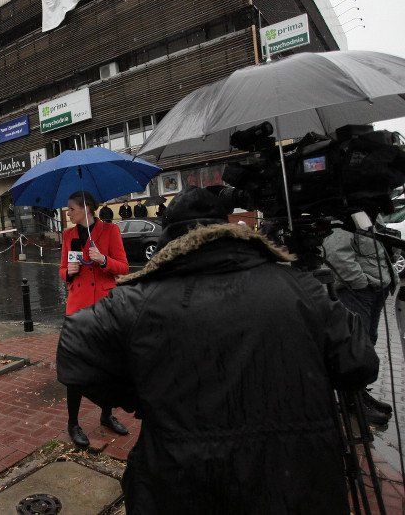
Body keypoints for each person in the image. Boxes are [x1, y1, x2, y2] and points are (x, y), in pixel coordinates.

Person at [57, 187, 378, 514]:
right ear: (226, 230)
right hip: (297, 486)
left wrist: (138, 395)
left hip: (181, 486)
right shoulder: (300, 286)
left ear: (170, 239)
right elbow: (360, 363)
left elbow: (74, 349)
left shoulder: (139, 299)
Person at [60, 190, 130, 448]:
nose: (68, 213)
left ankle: (106, 414)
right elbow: (62, 269)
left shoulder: (110, 231)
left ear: (87, 209)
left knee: (107, 365)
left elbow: (123, 267)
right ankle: (73, 423)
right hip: (77, 308)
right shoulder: (68, 235)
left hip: (104, 306)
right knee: (75, 369)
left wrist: (103, 261)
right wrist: (69, 271)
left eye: (72, 209)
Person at [322, 219, 398, 424]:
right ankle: (352, 402)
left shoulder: (368, 211)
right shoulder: (343, 213)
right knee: (355, 348)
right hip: (359, 292)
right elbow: (337, 255)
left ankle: (359, 393)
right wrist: (361, 283)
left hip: (375, 290)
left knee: (368, 342)